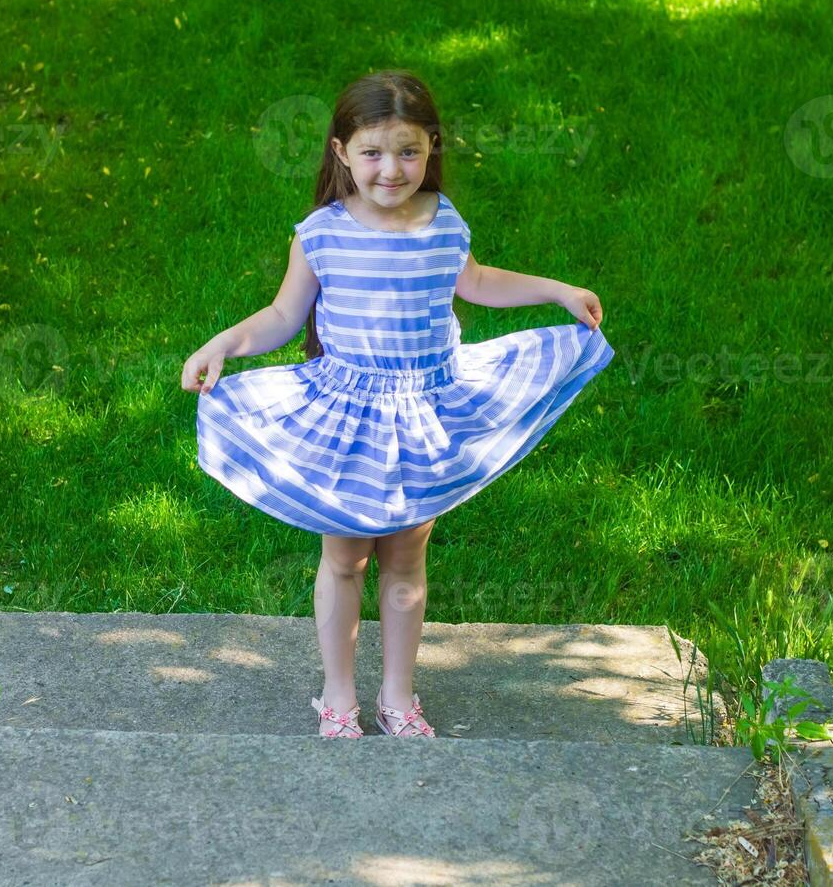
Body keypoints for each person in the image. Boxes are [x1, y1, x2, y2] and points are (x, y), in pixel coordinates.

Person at [181, 70, 614, 739]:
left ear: (431, 149)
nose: (391, 169)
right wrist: (223, 345)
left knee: (407, 559)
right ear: (340, 154)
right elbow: (280, 315)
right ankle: (337, 695)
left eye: (408, 151)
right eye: (373, 152)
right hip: (347, 418)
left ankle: (397, 695)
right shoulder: (321, 233)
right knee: (345, 558)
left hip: (427, 412)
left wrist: (555, 290)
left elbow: (475, 282)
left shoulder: (443, 222)